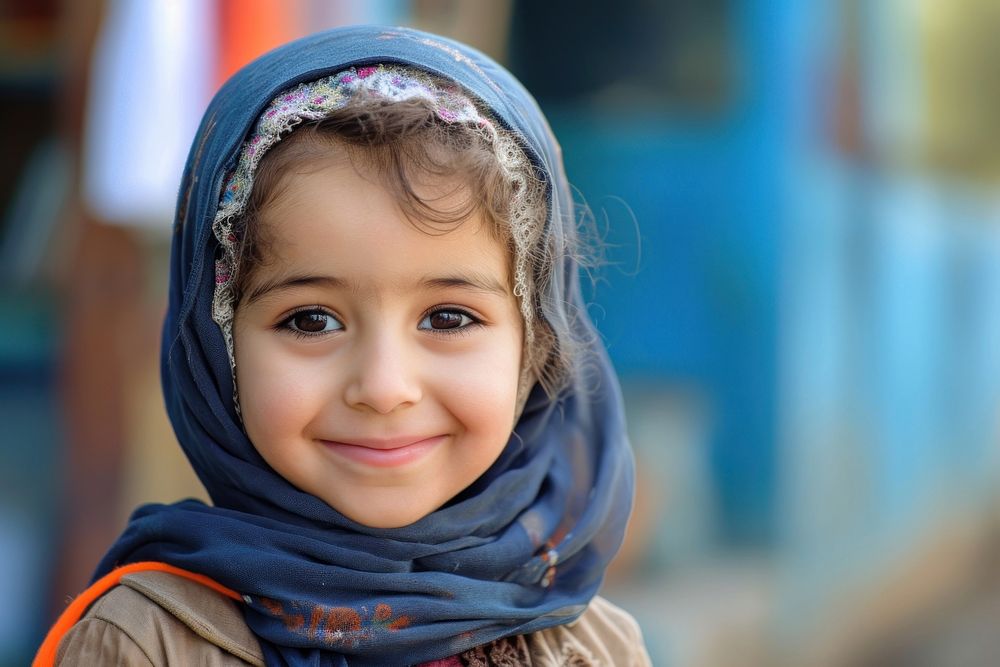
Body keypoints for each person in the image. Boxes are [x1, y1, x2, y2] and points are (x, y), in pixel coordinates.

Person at [37, 25, 648, 666]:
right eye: (311, 321)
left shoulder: (593, 647)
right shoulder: (147, 643)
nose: (383, 389)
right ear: (216, 351)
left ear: (536, 344)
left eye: (446, 318)